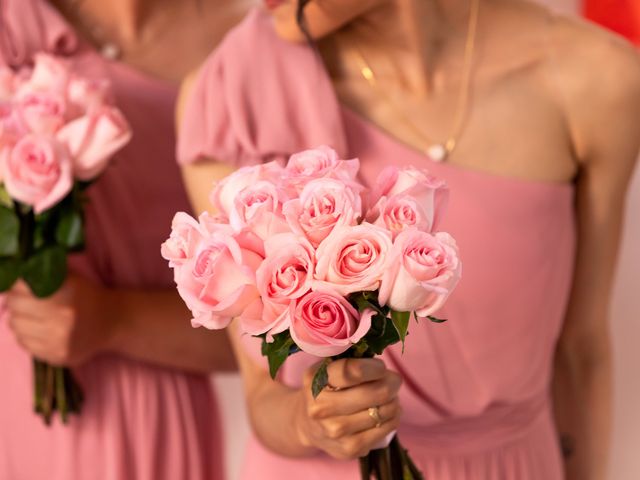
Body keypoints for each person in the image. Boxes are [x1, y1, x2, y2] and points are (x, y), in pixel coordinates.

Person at [177, 0, 640, 479]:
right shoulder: (234, 94)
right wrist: (310, 421)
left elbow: (580, 349)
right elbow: (262, 393)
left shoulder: (595, 81)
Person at [0, 0, 254, 479]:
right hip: (15, 393)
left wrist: (112, 319)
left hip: (160, 409)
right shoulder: (13, 26)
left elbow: (268, 336)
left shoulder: (249, 46)